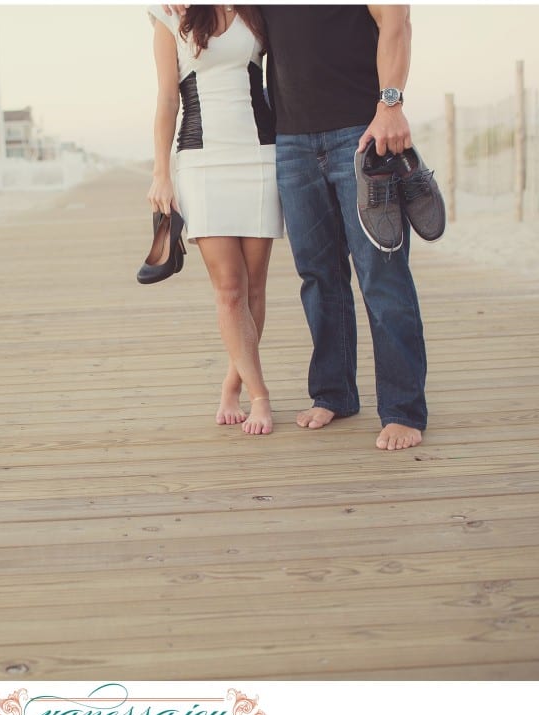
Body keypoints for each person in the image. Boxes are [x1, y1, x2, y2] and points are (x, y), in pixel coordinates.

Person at [166, 5, 428, 451]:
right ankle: (335, 393)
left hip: (360, 135)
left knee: (382, 274)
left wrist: (391, 104)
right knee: (318, 275)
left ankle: (403, 410)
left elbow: (397, 22)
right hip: (289, 141)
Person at [146, 4, 284, 436]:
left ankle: (232, 384)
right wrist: (161, 174)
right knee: (229, 290)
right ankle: (260, 394)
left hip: (259, 157)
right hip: (202, 163)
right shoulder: (172, 15)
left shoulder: (259, 12)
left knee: (254, 288)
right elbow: (168, 98)